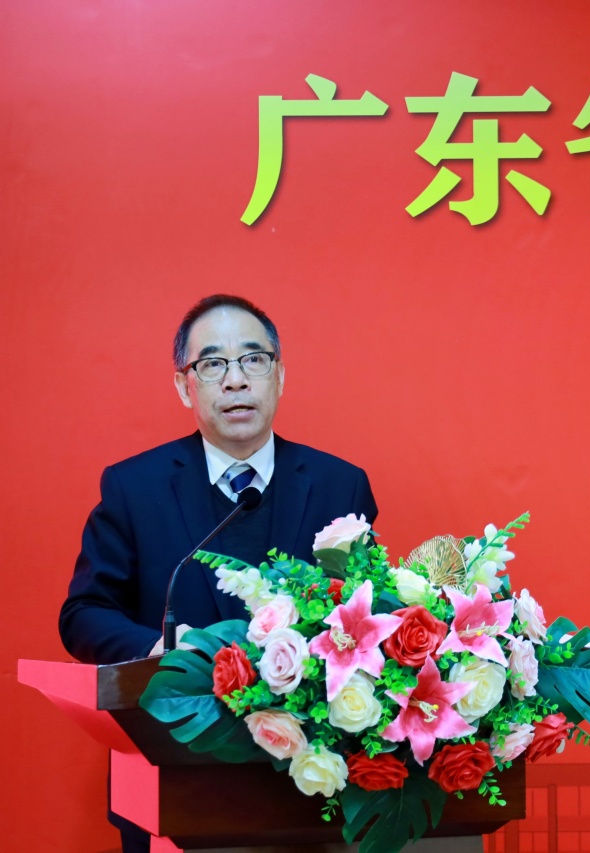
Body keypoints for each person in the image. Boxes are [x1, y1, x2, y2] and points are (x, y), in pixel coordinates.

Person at [58, 294, 378, 851]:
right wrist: (166, 648)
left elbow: (367, 617)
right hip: (175, 777)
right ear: (185, 387)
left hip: (309, 787)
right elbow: (83, 614)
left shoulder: (339, 486)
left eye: (253, 359)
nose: (236, 380)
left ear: (279, 375)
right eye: (212, 364)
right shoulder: (134, 488)